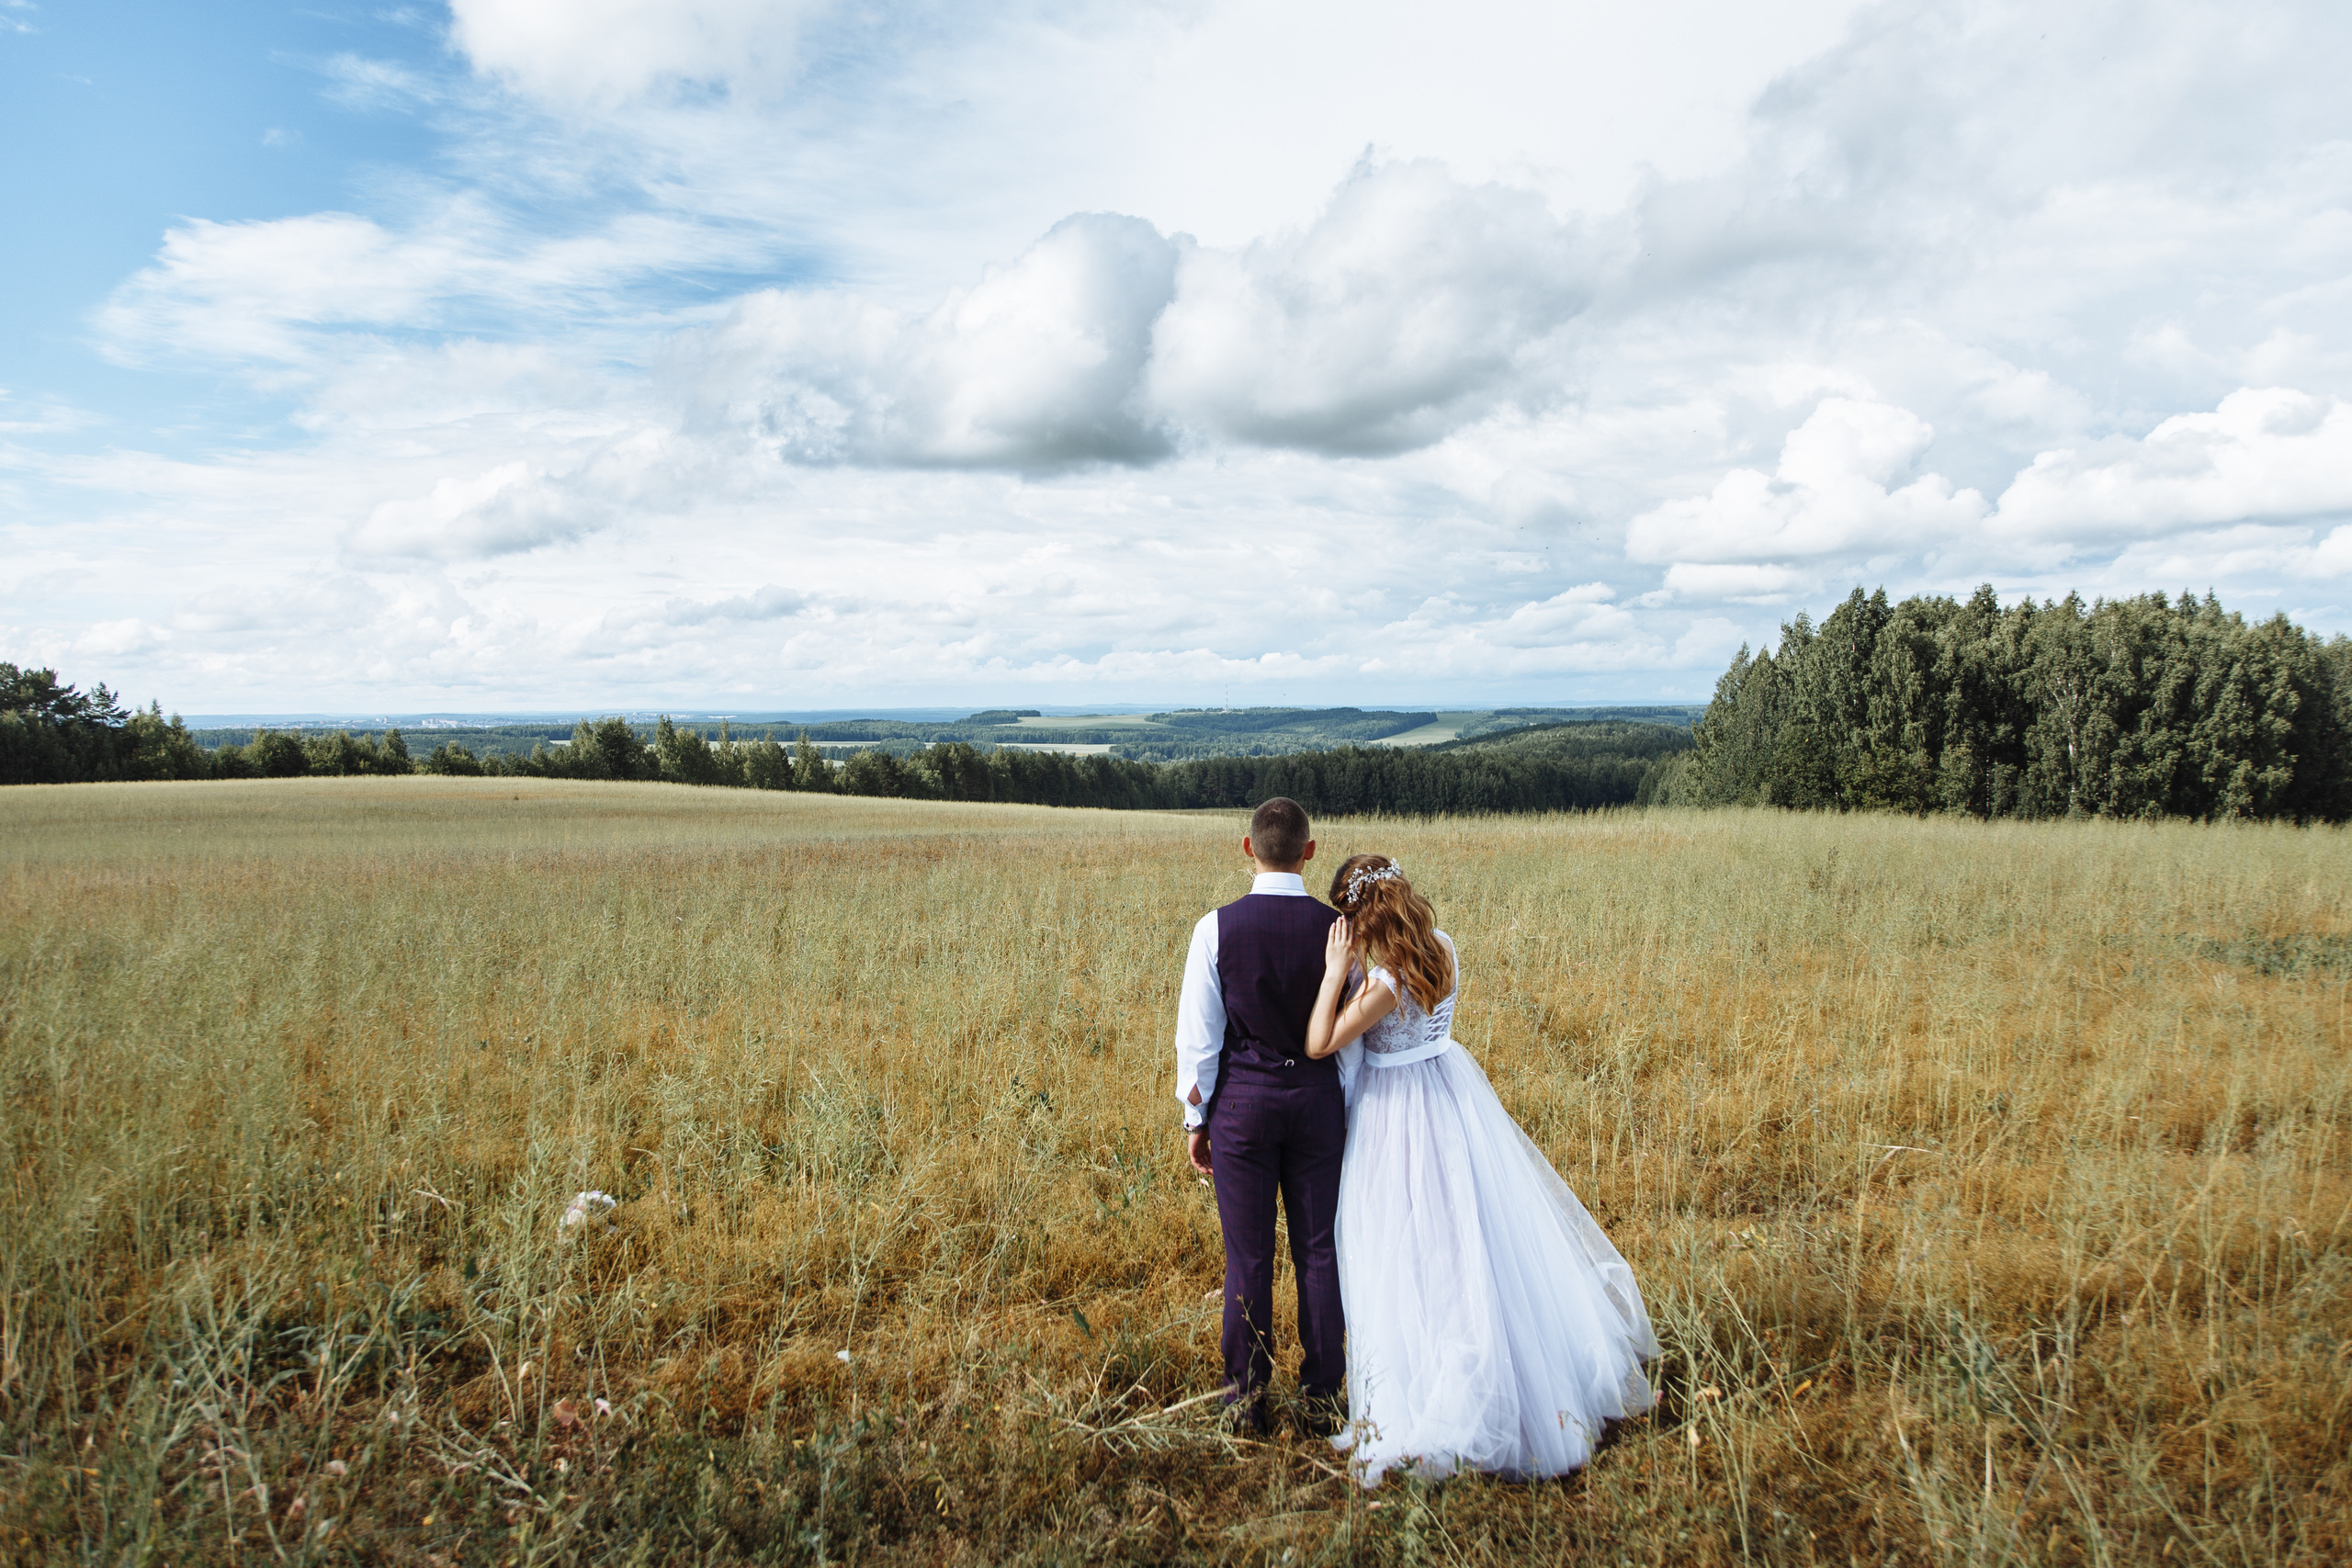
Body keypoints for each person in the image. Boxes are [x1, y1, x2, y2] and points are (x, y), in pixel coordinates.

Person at [1305, 852, 1657, 1483]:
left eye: (1347, 917)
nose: (1345, 928)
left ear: (1362, 912)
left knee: (1414, 1250)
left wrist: (1335, 974)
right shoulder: (1442, 946)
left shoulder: (1385, 979)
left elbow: (1320, 1041)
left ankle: (1449, 1403)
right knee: (1475, 1238)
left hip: (1400, 1110)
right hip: (1451, 1089)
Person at [1173, 797, 1350, 1437]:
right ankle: (1325, 1394)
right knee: (1319, 1251)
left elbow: (1199, 1040)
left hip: (1242, 1111)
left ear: (1248, 849)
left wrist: (1197, 1120)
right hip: (1315, 1106)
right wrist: (1342, 1111)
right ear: (1309, 850)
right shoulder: (1339, 931)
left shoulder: (1213, 929)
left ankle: (1244, 1402)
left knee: (1247, 1257)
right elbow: (1346, 1042)